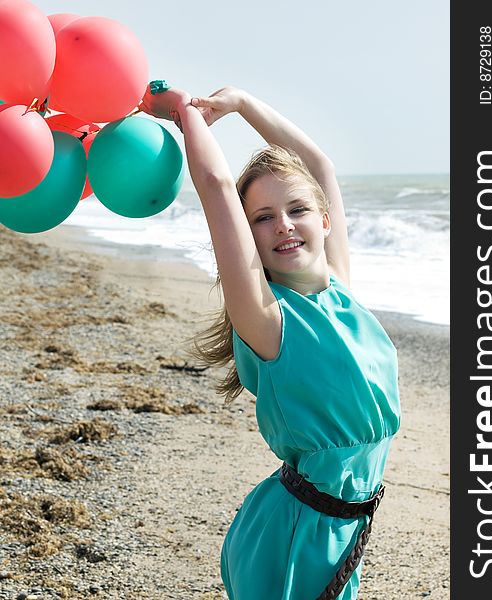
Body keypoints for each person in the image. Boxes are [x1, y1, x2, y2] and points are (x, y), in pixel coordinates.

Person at [140, 84, 401, 600]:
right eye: (262, 218)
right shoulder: (265, 319)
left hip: (343, 529)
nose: (283, 225)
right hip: (294, 536)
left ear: (324, 220)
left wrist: (242, 103)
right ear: (251, 236)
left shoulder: (340, 290)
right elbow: (216, 185)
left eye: (297, 209)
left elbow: (319, 166)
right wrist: (184, 113)